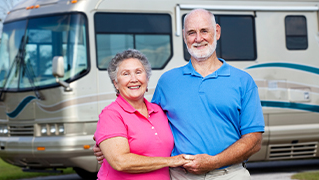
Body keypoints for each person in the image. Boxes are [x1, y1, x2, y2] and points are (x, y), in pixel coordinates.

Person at [94, 9, 265, 180]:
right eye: (191, 32)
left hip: (230, 174)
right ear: (184, 36)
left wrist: (214, 162)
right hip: (181, 176)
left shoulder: (243, 81)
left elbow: (254, 140)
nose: (198, 38)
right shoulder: (168, 81)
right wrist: (108, 146)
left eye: (204, 31)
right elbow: (146, 123)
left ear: (217, 31)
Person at [94, 49, 191, 180]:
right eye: (126, 74)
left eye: (138, 72)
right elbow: (120, 161)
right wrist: (170, 161)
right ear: (116, 83)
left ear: (147, 79)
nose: (134, 79)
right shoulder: (111, 114)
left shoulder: (159, 111)